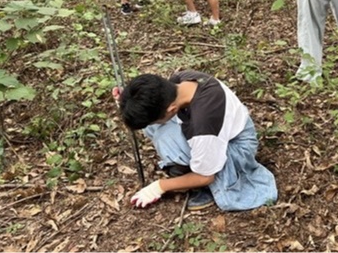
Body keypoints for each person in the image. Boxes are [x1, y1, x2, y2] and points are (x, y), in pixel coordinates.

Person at [115, 70, 278, 211]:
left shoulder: (204, 125)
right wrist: (129, 102)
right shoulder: (180, 81)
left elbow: (205, 176)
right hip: (222, 129)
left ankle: (192, 179)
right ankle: (189, 168)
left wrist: (159, 186)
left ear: (172, 109)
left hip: (237, 143)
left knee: (165, 137)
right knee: (153, 126)